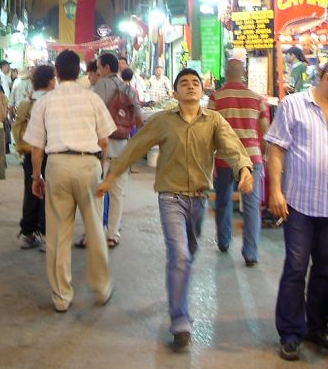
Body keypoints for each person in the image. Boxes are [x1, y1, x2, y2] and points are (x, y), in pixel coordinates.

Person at [97, 68, 252, 349]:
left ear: (202, 91)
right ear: (175, 92)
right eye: (184, 83)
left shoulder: (214, 121)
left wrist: (243, 167)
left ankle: (176, 290)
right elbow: (135, 146)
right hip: (170, 197)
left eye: (195, 83)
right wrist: (111, 175)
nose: (191, 87)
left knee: (187, 254)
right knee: (180, 255)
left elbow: (231, 146)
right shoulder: (163, 121)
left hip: (199, 199)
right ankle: (180, 320)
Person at [266, 59, 328, 362]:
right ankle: (290, 333)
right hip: (300, 203)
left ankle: (317, 328)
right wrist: (275, 190)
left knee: (325, 270)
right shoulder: (294, 105)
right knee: (296, 268)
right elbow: (276, 148)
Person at [23, 50, 115, 312]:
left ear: (56, 73)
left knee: (58, 233)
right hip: (88, 164)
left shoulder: (45, 102)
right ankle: (101, 287)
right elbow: (105, 140)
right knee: (95, 229)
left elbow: (37, 147)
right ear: (79, 71)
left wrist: (36, 176)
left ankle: (61, 296)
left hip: (58, 165)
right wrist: (103, 167)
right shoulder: (92, 99)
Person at [208, 59, 269, 266]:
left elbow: (210, 132)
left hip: (225, 157)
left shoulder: (216, 98)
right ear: (243, 73)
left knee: (223, 200)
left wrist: (211, 158)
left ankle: (224, 242)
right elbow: (265, 132)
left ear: (225, 72)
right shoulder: (257, 99)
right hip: (251, 158)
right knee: (252, 205)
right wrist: (262, 154)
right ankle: (251, 253)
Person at [87, 53, 143, 249]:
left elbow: (91, 114)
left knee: (98, 191)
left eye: (100, 67)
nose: (98, 71)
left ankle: (95, 233)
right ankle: (113, 234)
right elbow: (139, 118)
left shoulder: (100, 86)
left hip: (101, 148)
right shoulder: (128, 88)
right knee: (118, 193)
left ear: (106, 68)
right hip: (122, 148)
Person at [15, 65, 56, 250]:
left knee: (31, 192)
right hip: (50, 153)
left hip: (30, 152)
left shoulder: (27, 102)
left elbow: (17, 127)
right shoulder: (54, 101)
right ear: (50, 80)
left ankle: (27, 233)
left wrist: (20, 146)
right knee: (49, 195)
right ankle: (47, 235)